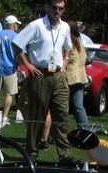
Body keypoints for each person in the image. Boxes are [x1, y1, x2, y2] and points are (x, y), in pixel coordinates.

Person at [13, 0, 73, 162]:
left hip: (58, 75)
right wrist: (27, 65)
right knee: (37, 115)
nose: (57, 11)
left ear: (64, 9)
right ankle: (32, 152)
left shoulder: (65, 27)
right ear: (49, 7)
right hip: (40, 74)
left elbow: (68, 46)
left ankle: (65, 155)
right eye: (55, 8)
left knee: (62, 114)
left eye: (61, 9)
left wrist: (66, 61)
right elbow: (17, 44)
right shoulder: (37, 25)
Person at [0, 14, 18, 126]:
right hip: (10, 68)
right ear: (13, 25)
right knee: (9, 94)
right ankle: (4, 117)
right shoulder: (16, 36)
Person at [65, 20, 87, 128]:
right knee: (79, 107)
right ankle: (86, 132)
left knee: (62, 107)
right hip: (81, 78)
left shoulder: (69, 43)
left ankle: (60, 133)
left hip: (69, 78)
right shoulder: (80, 43)